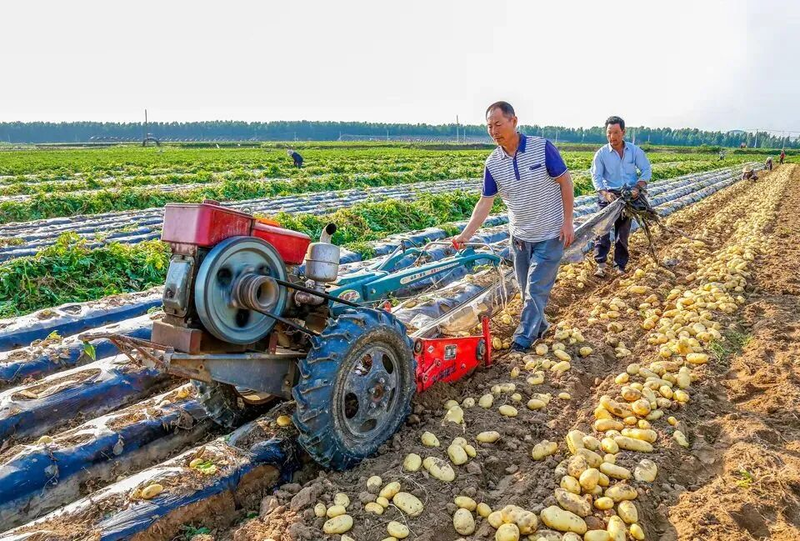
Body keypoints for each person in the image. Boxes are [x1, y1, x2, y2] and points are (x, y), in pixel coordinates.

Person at [453, 101, 574, 352]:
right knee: (524, 289)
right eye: (489, 126)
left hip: (550, 233)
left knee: (535, 290)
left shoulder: (542, 148)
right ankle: (541, 327)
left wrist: (568, 221)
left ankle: (522, 339)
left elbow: (565, 182)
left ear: (513, 121)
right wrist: (465, 235)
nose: (494, 131)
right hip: (520, 238)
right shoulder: (493, 163)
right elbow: (485, 202)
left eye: (498, 124)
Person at [591, 116, 652, 277]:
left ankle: (620, 266)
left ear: (623, 132)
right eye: (609, 133)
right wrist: (605, 193)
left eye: (616, 132)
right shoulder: (601, 154)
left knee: (622, 234)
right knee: (602, 231)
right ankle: (601, 265)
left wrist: (638, 188)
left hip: (628, 196)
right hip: (609, 196)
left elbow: (646, 169)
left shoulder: (634, 151)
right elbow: (596, 176)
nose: (613, 137)